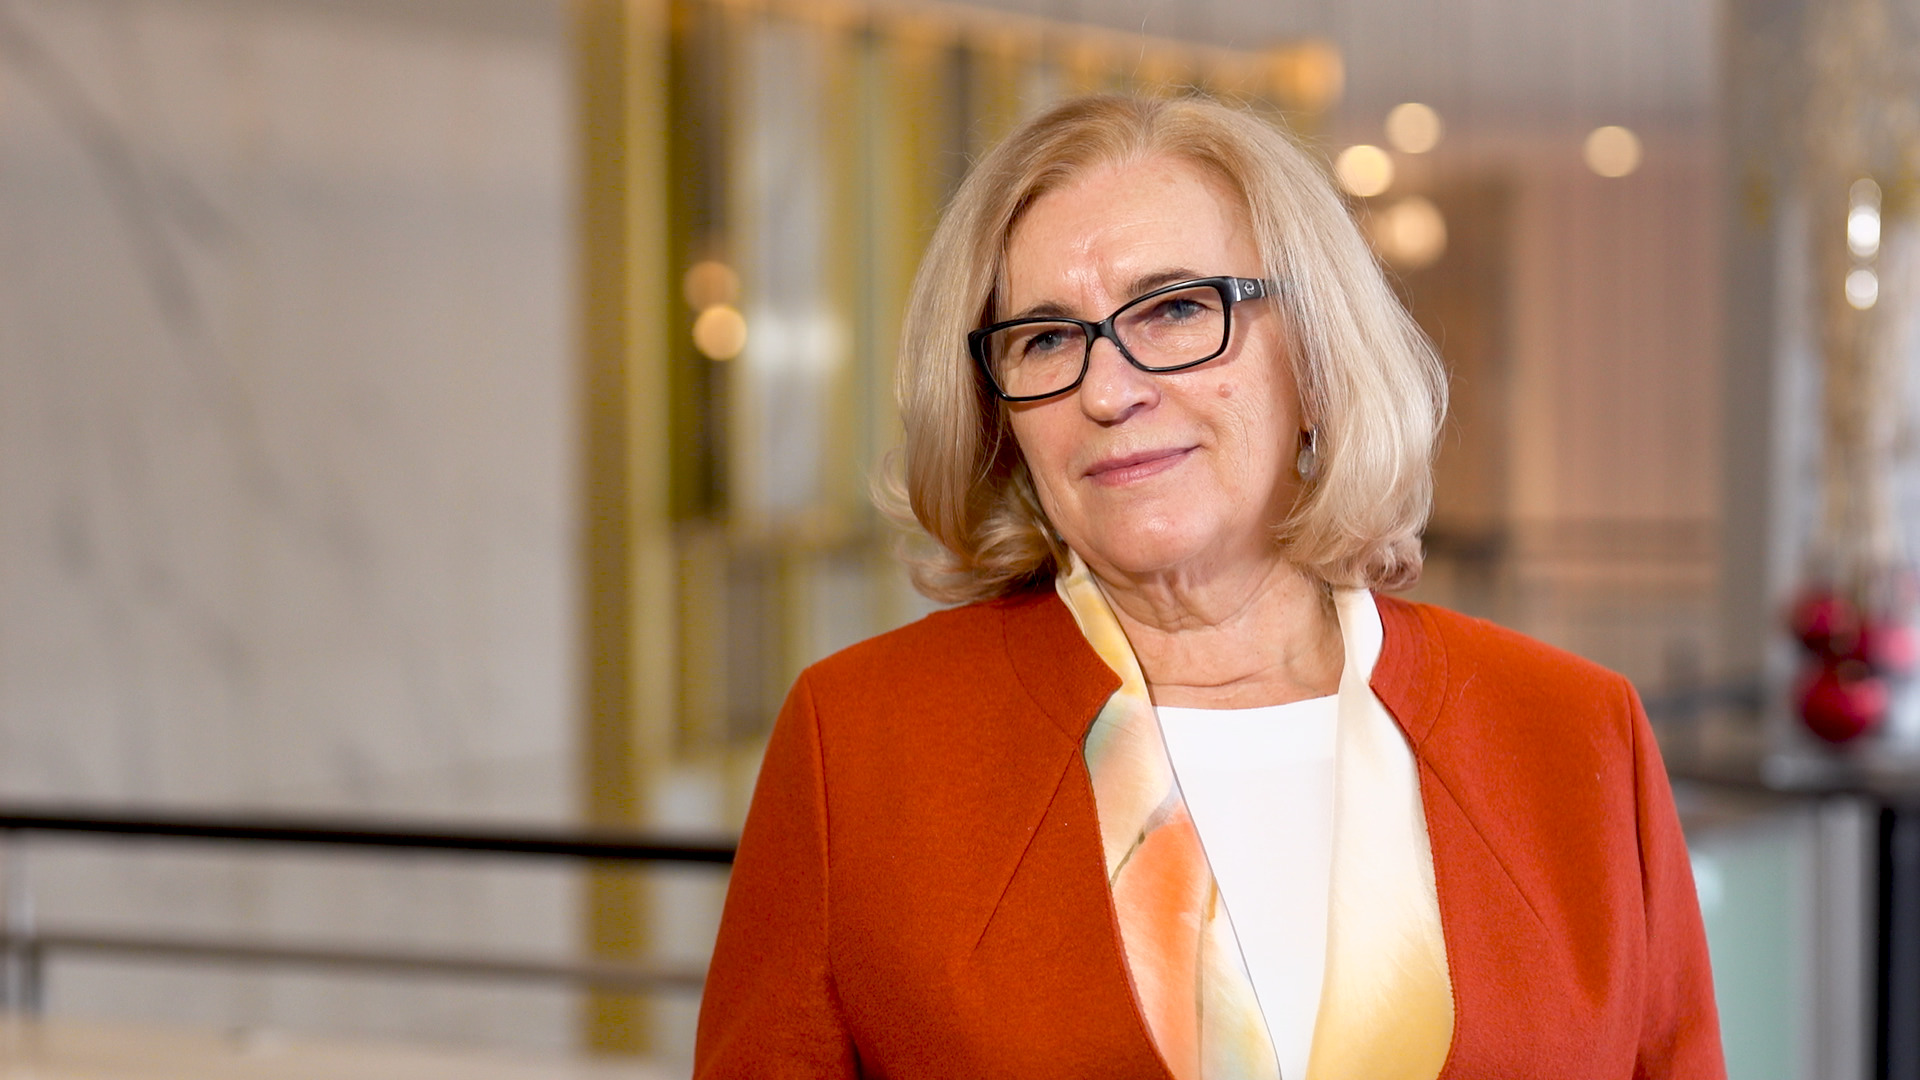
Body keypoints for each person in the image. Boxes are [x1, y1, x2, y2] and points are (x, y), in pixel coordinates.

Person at [692, 93, 1724, 1080]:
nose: (1110, 390)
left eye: (1177, 309)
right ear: (1000, 415)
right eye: (1045, 338)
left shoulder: (1575, 736)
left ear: (1315, 358)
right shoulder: (861, 745)